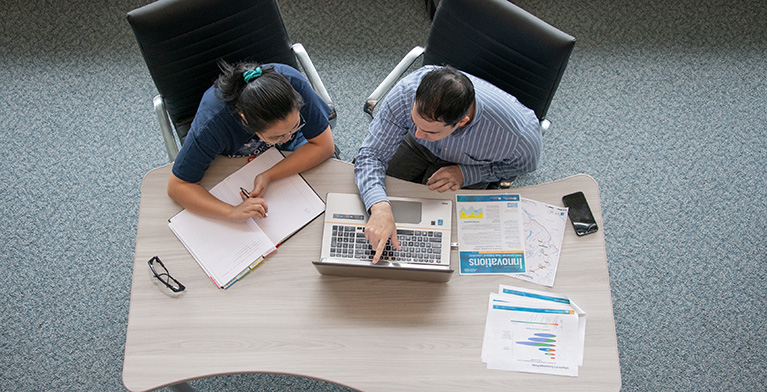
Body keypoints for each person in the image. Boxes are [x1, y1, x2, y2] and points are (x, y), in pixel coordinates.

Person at [354, 65, 542, 263]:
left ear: (461, 122)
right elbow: (371, 155)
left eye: (430, 131)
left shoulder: (518, 136)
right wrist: (379, 206)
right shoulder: (406, 94)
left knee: (449, 240)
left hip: (468, 165)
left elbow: (522, 166)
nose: (418, 133)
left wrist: (467, 174)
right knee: (362, 201)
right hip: (415, 148)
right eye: (415, 122)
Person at [168, 61, 335, 222]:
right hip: (231, 164)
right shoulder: (213, 123)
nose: (288, 137)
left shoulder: (293, 85)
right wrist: (232, 212)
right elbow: (178, 186)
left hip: (291, 157)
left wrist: (269, 175)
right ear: (245, 120)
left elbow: (325, 146)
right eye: (276, 137)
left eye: (296, 126)